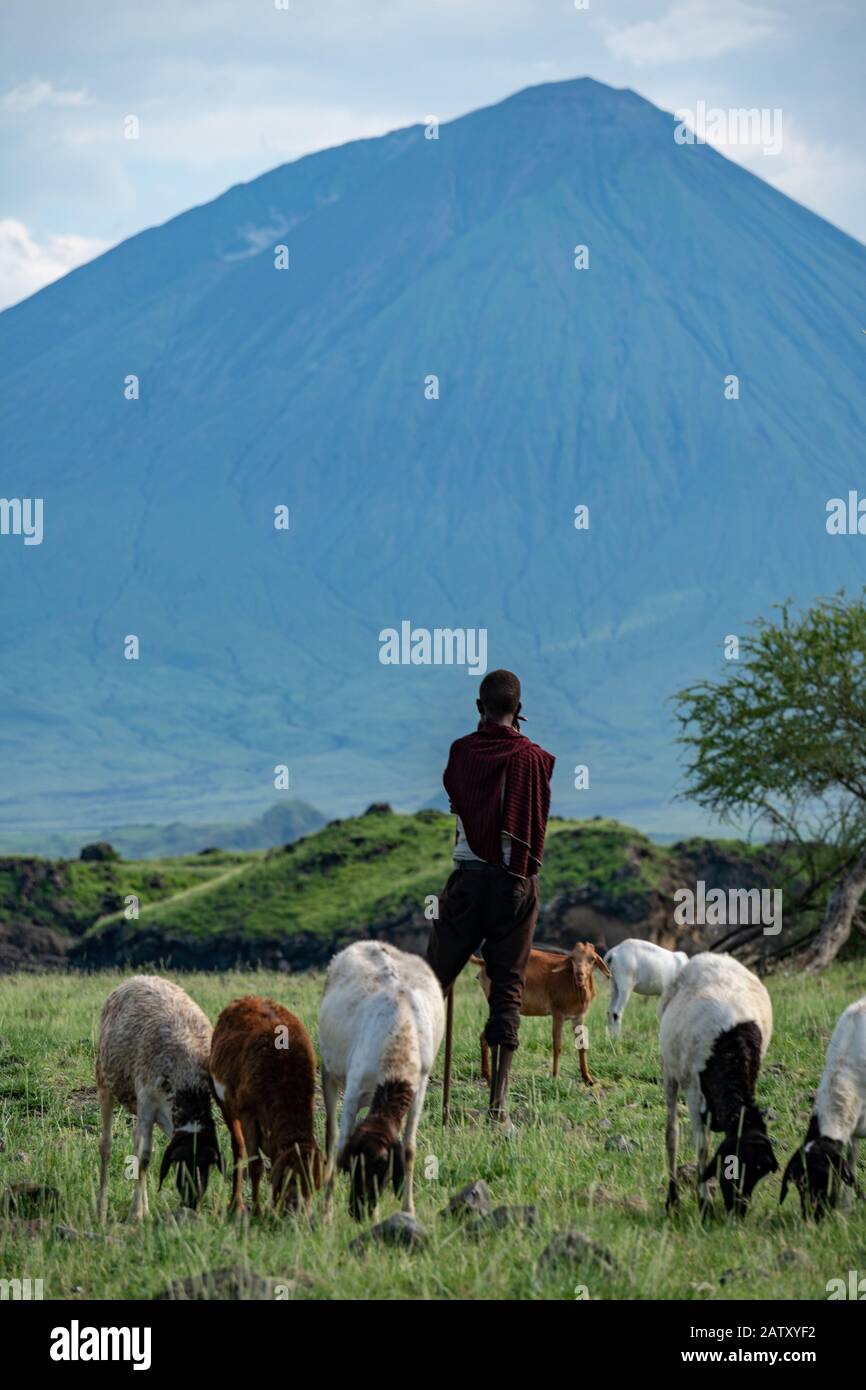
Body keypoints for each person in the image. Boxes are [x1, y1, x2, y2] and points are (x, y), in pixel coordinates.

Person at [426, 669, 555, 1124]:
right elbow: (535, 822)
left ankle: (410, 1083)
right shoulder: (533, 759)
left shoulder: (461, 752)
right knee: (508, 988)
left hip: (465, 880)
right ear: (518, 711)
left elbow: (458, 801)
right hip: (514, 884)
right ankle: (497, 1107)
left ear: (478, 707)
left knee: (431, 982)